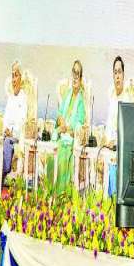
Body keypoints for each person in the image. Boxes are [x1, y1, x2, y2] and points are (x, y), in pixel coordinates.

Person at [53, 60, 86, 195]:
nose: (75, 77)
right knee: (51, 155)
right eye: (74, 72)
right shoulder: (67, 94)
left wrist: (67, 129)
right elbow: (59, 114)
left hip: (71, 140)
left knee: (62, 157)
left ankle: (62, 196)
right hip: (61, 135)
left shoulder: (81, 100)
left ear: (81, 78)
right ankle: (50, 194)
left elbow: (79, 124)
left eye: (78, 73)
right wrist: (61, 121)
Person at [0, 61, 29, 185]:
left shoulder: (23, 98)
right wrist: (6, 129)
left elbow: (22, 121)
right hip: (7, 134)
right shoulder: (10, 97)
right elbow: (6, 118)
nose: (14, 79)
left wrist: (12, 132)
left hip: (18, 136)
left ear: (21, 78)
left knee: (7, 143)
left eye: (16, 75)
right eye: (12, 75)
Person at [105, 56, 129, 146]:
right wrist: (105, 138)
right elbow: (109, 124)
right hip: (109, 145)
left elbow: (127, 130)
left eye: (119, 72)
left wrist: (115, 141)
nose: (117, 76)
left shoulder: (127, 99)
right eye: (115, 73)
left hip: (121, 145)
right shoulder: (111, 96)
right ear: (113, 76)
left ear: (123, 75)